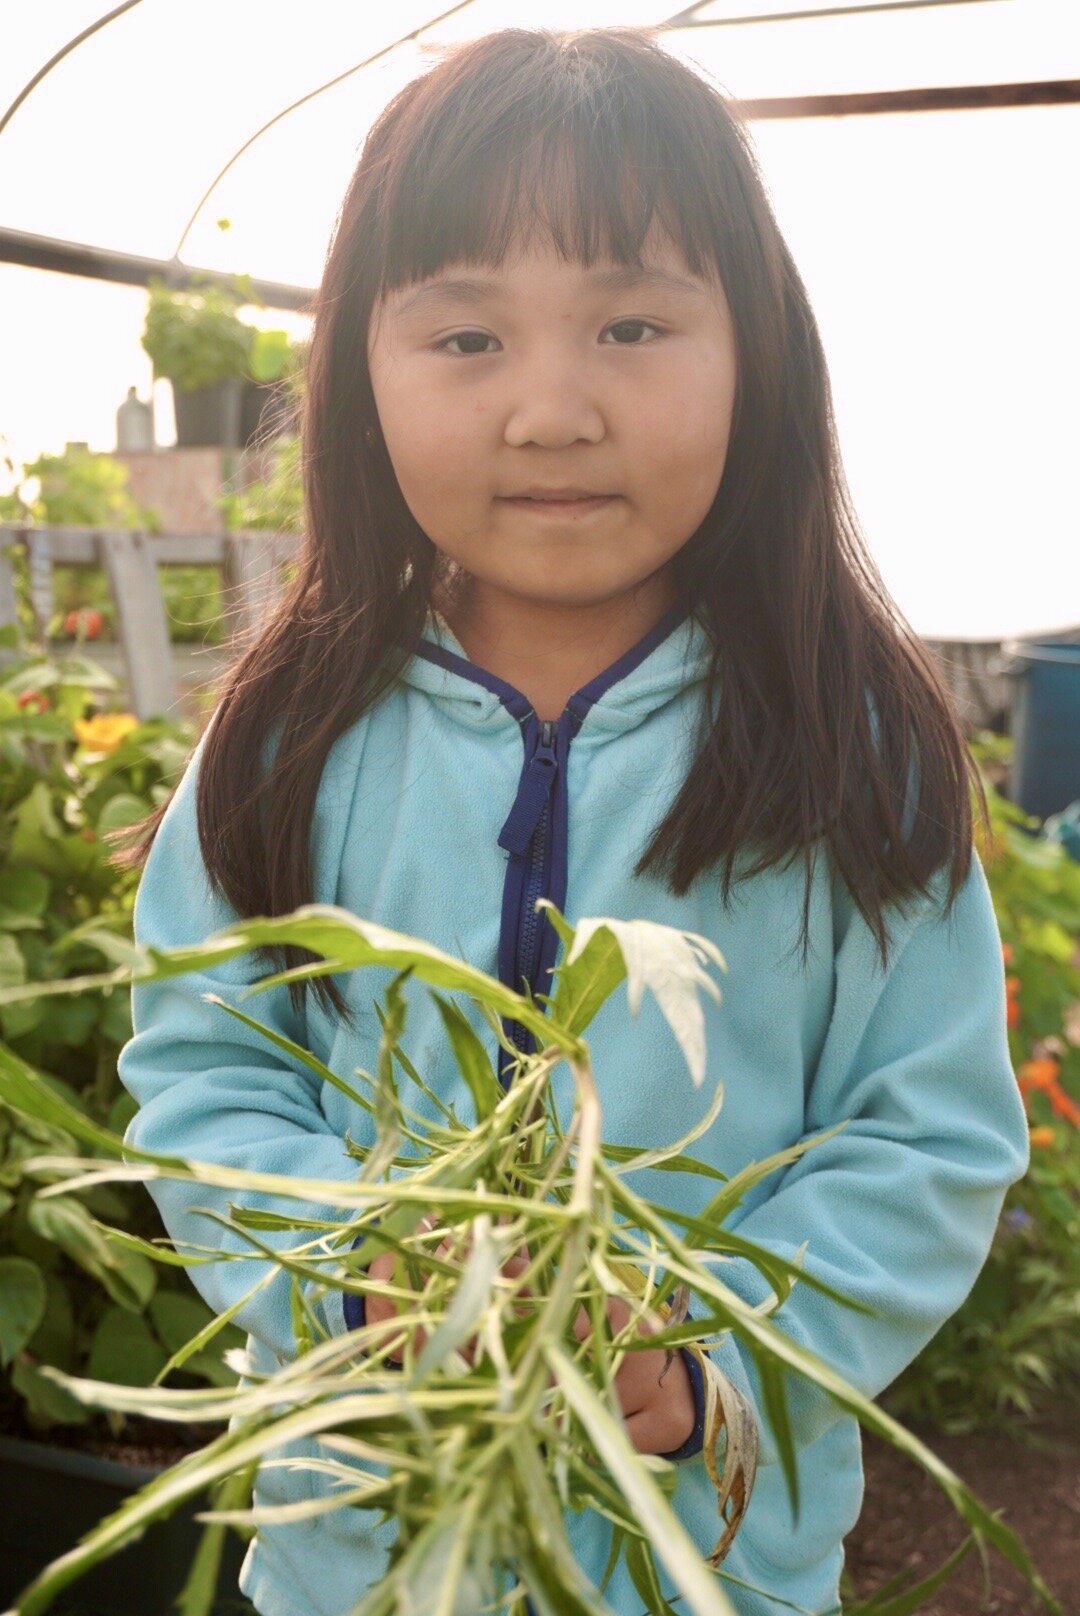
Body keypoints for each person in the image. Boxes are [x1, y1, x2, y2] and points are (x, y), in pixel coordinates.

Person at [114, 26, 1030, 1616]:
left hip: (707, 1568)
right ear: (354, 376)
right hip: (362, 1559)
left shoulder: (848, 745)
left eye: (631, 323)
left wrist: (713, 1342)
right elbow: (208, 1064)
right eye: (465, 339)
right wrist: (347, 1275)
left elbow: (928, 1134)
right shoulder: (288, 736)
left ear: (759, 356)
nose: (551, 409)